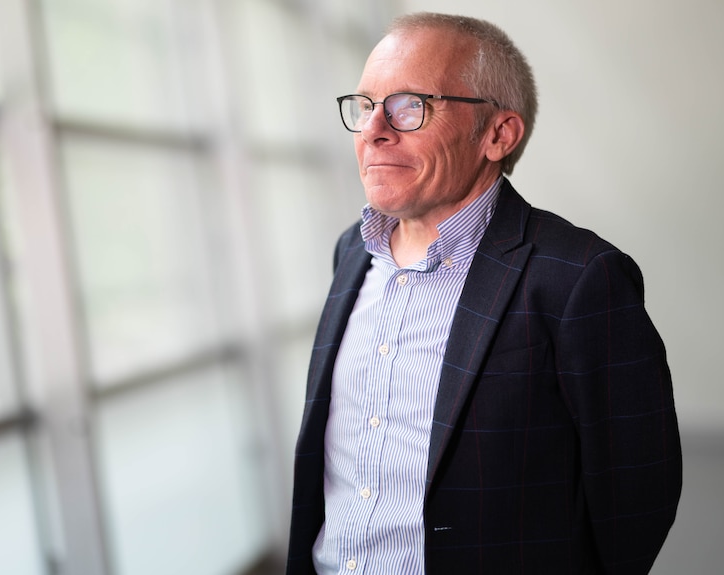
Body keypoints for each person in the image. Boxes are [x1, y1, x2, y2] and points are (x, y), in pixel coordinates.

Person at [286, 12, 681, 575]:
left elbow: (637, 498)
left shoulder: (580, 278)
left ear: (498, 134)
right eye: (366, 104)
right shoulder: (352, 252)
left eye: (408, 105)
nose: (374, 129)